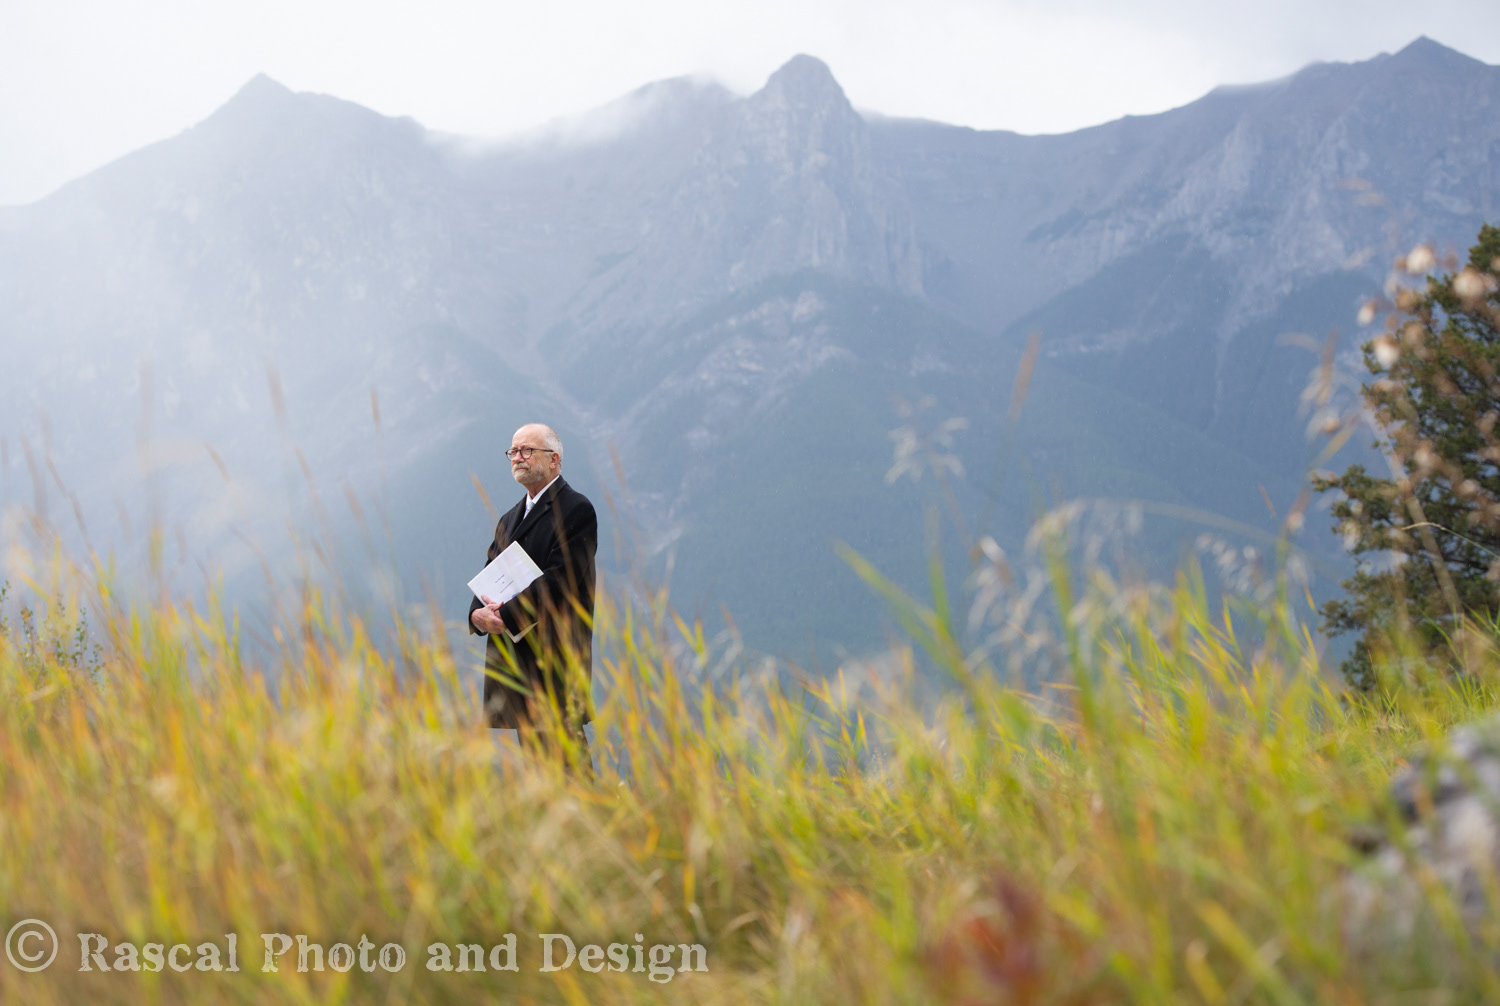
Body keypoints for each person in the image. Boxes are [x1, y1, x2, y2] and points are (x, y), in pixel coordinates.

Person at [468, 423, 597, 767]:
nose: (518, 458)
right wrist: (476, 616)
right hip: (519, 662)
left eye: (527, 450)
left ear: (554, 460)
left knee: (569, 770)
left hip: (555, 658)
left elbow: (560, 581)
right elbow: (489, 576)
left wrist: (504, 616)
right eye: (513, 451)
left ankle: (596, 817)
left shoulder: (576, 509)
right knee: (541, 775)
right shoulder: (510, 518)